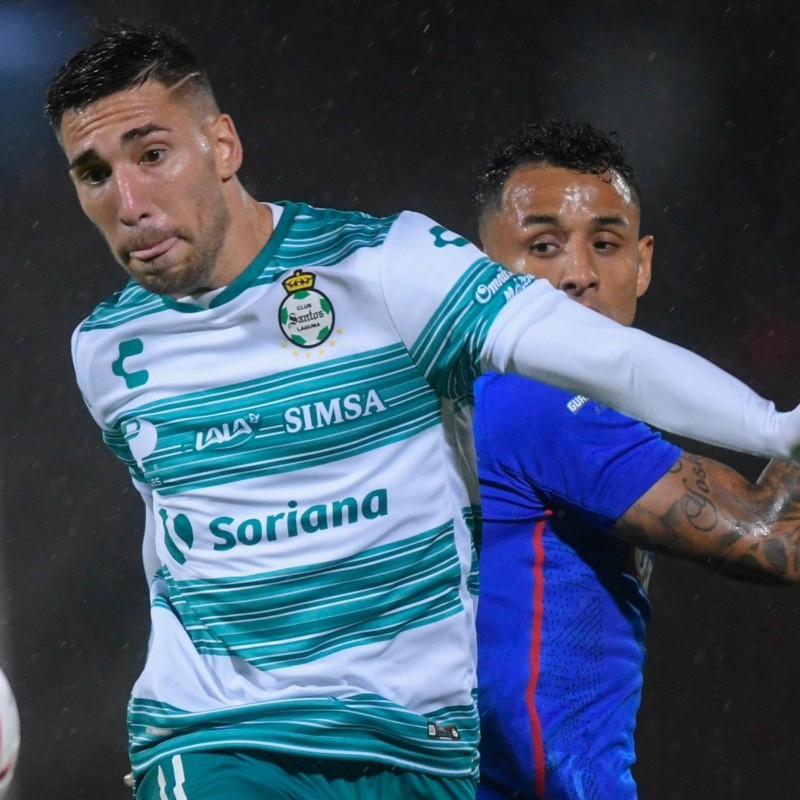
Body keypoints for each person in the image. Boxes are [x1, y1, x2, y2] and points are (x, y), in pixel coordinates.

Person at [44, 23, 800, 800]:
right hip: (235, 742)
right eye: (95, 174)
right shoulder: (106, 350)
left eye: (152, 155)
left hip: (418, 754)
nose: (130, 202)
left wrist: (775, 426)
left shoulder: (385, 274)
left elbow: (610, 362)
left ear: (223, 145)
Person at [472, 119, 800, 800]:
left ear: (643, 262)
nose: (578, 276)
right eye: (542, 246)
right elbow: (776, 540)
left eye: (606, 244)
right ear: (480, 268)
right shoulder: (535, 404)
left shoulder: (485, 402)